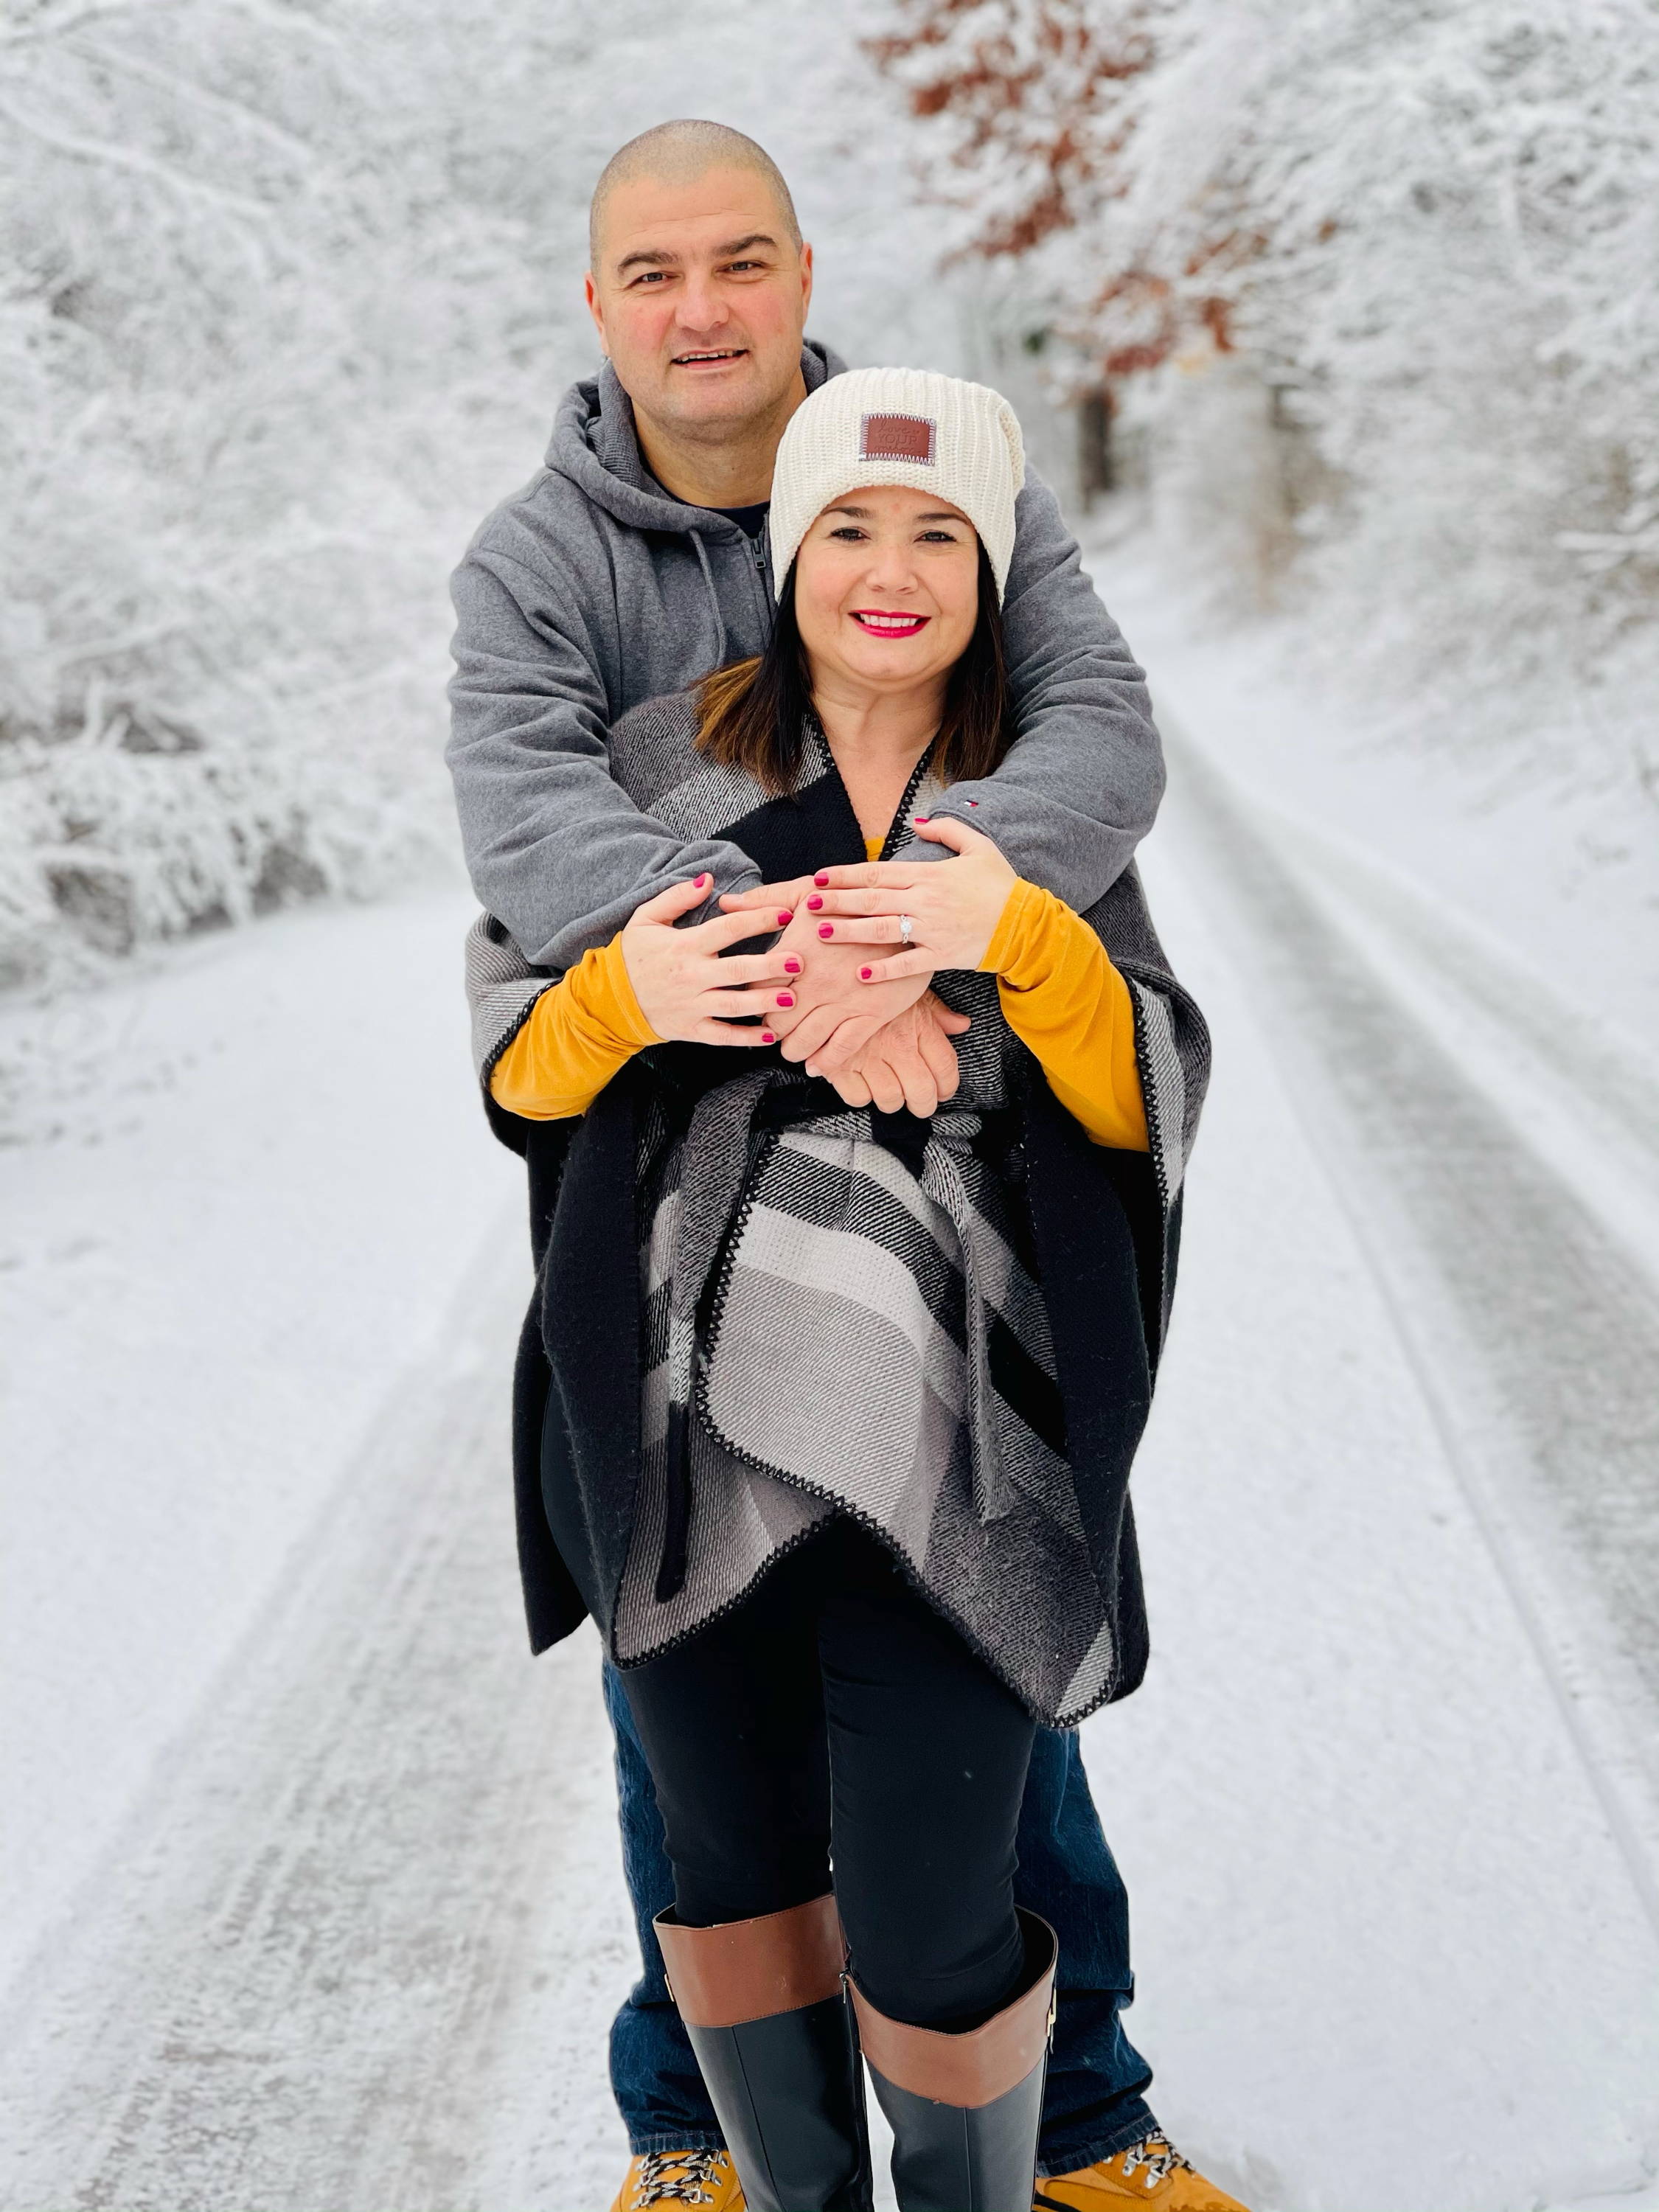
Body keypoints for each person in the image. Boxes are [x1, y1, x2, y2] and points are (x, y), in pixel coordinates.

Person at [449, 120, 1242, 2212]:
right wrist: (811, 959)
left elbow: (1096, 736)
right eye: (649, 273)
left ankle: (1070, 2116)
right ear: (596, 298)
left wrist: (971, 915)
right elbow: (532, 859)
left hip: (946, 1271)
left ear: (803, 272)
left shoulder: (960, 471)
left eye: (737, 262)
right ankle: (696, 2130)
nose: (697, 310)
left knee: (978, 1740)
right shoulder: (543, 567)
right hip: (684, 1213)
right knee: (690, 1736)